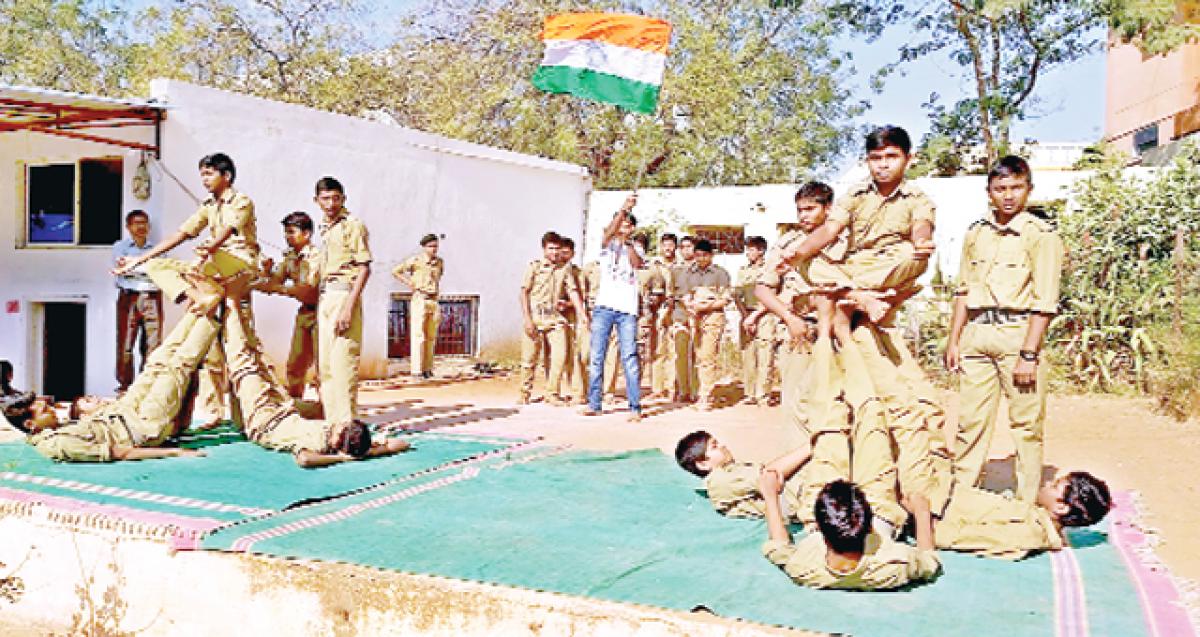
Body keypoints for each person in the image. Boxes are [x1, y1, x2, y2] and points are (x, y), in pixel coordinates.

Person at [944, 155, 1064, 502]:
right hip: (977, 333)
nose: (1008, 196)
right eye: (1000, 189)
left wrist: (1029, 354)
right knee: (971, 423)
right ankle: (960, 497)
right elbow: (963, 290)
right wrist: (954, 340)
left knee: (1026, 426)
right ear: (989, 192)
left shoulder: (1041, 236)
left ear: (1029, 189)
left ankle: (1027, 501)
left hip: (1018, 333)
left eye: (1016, 187)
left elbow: (1045, 301)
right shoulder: (976, 233)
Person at [112, 152, 259, 428]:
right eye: (202, 173)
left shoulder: (241, 201)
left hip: (237, 266)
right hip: (213, 273)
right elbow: (181, 234)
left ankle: (245, 417)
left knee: (240, 351)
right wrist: (139, 260)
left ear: (225, 176)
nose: (204, 179)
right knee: (158, 267)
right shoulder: (207, 205)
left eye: (209, 173)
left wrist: (209, 248)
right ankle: (214, 413)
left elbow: (227, 231)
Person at [773, 126, 935, 331]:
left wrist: (922, 241)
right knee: (805, 261)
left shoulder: (918, 198)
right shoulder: (855, 194)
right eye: (876, 158)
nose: (883, 165)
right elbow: (830, 229)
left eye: (891, 157)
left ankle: (849, 292)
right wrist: (798, 254)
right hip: (855, 264)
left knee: (913, 255)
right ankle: (862, 296)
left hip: (889, 264)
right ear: (867, 161)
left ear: (908, 159)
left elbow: (922, 224)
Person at [6, 310, 221, 462]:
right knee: (176, 368)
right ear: (30, 425)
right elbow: (121, 452)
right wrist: (174, 452)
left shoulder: (53, 429)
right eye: (44, 410)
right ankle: (210, 316)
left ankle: (198, 309)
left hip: (124, 411)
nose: (52, 410)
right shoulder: (58, 444)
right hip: (141, 427)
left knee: (155, 363)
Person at [222, 294, 410, 468]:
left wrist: (340, 458)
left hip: (264, 422)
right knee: (260, 358)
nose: (340, 424)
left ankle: (231, 301)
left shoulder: (319, 444)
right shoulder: (351, 440)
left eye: (341, 429)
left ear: (337, 442)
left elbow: (304, 459)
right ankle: (239, 307)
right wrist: (371, 451)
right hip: (285, 409)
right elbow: (401, 444)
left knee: (244, 364)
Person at [759, 478, 940, 590]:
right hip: (881, 511)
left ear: (820, 531)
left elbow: (779, 546)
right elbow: (930, 561)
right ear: (870, 529)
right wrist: (922, 512)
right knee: (873, 432)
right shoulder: (896, 564)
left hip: (844, 507)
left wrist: (770, 495)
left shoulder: (804, 568)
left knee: (828, 438)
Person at [933, 470, 1111, 560]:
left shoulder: (1027, 534)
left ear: (1061, 507)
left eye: (1054, 486)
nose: (1047, 483)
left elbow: (951, 536)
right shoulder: (1037, 516)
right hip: (940, 487)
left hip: (930, 500)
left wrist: (921, 510)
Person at [313, 177, 372, 424]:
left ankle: (347, 424)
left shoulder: (353, 225)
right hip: (325, 296)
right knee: (325, 367)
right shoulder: (325, 229)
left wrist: (349, 307)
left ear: (343, 199)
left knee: (343, 364)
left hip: (344, 295)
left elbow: (364, 268)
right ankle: (333, 423)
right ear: (316, 201)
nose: (331, 204)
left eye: (336, 198)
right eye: (325, 198)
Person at [583, 195, 644, 421]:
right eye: (621, 224)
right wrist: (623, 210)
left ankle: (635, 406)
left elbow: (637, 264)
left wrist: (628, 241)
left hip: (627, 310)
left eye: (628, 225)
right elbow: (608, 234)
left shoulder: (636, 248)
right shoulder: (607, 246)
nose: (623, 228)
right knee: (597, 355)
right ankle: (594, 403)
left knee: (629, 356)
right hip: (604, 307)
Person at [674, 430, 810, 521]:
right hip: (797, 500)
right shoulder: (719, 481)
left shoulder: (728, 472)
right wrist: (812, 446)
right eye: (714, 446)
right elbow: (768, 475)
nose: (723, 445)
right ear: (703, 464)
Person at [257, 211, 321, 398]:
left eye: (292, 232)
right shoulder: (291, 257)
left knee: (324, 366)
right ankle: (295, 404)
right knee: (296, 363)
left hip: (322, 313)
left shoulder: (315, 257)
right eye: (286, 232)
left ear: (306, 234)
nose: (287, 237)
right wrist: (267, 273)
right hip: (306, 312)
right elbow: (273, 281)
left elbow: (307, 289)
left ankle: (330, 410)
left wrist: (280, 289)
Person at [519, 232, 586, 404]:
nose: (555, 253)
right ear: (544, 249)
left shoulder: (565, 269)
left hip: (554, 319)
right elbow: (524, 292)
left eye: (557, 249)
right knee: (529, 359)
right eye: (551, 249)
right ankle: (524, 393)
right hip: (535, 316)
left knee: (559, 356)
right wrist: (527, 319)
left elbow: (573, 291)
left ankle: (552, 393)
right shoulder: (534, 267)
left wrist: (582, 314)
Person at [112, 209, 163, 393]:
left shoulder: (157, 248)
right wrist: (147, 268)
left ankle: (147, 386)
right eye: (136, 223)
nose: (141, 227)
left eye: (144, 222)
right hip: (129, 297)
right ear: (128, 227)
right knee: (126, 344)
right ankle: (125, 386)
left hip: (152, 298)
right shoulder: (120, 246)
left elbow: (160, 272)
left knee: (153, 345)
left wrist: (134, 265)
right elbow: (122, 268)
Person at [680, 240, 731, 411]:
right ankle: (697, 392)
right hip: (695, 317)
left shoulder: (720, 273)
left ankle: (706, 397)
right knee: (698, 356)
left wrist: (706, 307)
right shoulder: (688, 273)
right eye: (697, 255)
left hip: (713, 316)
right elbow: (685, 294)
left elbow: (725, 299)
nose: (700, 259)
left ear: (711, 255)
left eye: (704, 255)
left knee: (708, 357)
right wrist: (689, 306)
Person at [393, 233, 445, 380]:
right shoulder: (416, 261)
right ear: (424, 247)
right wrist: (409, 283)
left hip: (433, 299)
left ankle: (427, 369)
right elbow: (396, 271)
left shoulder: (439, 262)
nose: (434, 249)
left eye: (436, 246)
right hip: (420, 298)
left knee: (431, 336)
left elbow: (439, 276)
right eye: (430, 246)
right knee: (418, 336)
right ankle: (416, 370)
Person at [735, 236, 774, 405]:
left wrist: (755, 316)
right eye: (747, 249)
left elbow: (771, 296)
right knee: (748, 356)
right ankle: (750, 393)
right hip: (746, 315)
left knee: (765, 356)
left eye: (752, 249)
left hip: (765, 315)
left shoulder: (770, 269)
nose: (748, 253)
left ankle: (763, 394)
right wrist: (745, 317)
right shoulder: (743, 270)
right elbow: (737, 296)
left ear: (761, 251)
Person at [649, 233, 680, 399]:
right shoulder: (653, 265)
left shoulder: (681, 265)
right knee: (658, 349)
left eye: (671, 244)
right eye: (665, 244)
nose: (668, 248)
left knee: (674, 350)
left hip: (677, 310)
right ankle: (657, 388)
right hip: (658, 310)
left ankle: (673, 387)